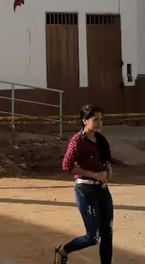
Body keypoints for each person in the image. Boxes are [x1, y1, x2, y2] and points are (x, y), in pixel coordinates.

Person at [55, 104, 113, 264]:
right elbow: (67, 166)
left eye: (101, 119)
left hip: (102, 189)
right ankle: (64, 250)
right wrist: (94, 175)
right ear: (84, 121)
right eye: (95, 120)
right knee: (92, 237)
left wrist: (108, 168)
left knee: (107, 233)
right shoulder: (77, 141)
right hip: (86, 190)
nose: (99, 123)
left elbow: (105, 158)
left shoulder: (100, 139)